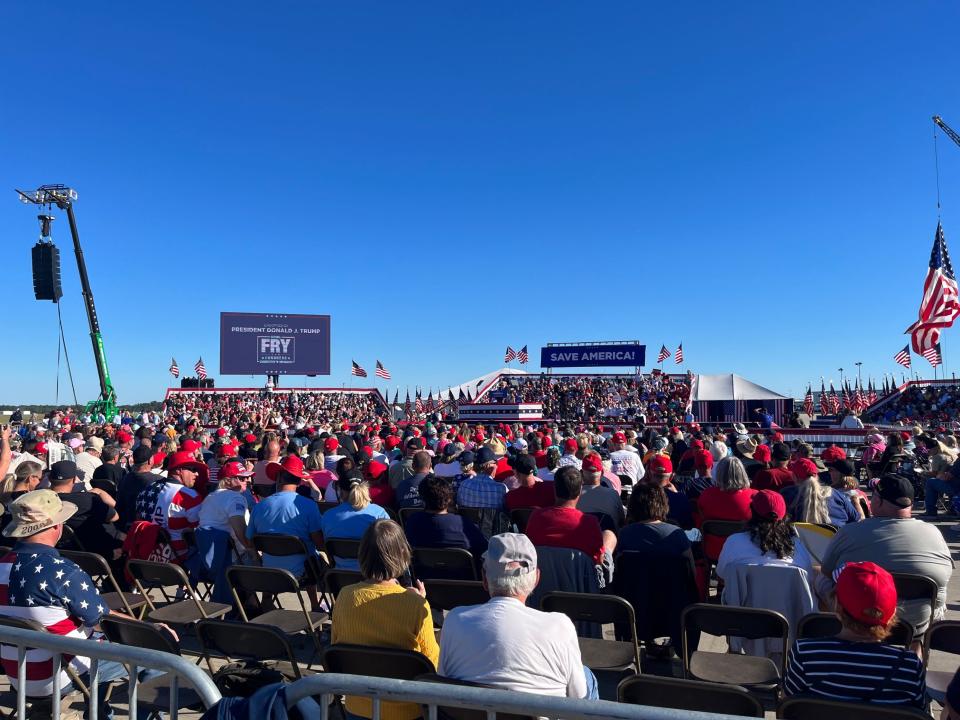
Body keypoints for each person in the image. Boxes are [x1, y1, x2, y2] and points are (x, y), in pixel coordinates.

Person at [0, 490, 171, 715]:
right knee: (153, 654)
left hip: (18, 672)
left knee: (98, 644)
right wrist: (152, 629)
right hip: (59, 673)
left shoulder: (3, 564)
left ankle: (99, 712)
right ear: (56, 527)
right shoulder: (62, 571)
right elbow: (103, 620)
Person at [438, 533, 597, 700]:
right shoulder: (561, 626)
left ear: (484, 579)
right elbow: (581, 700)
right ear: (536, 579)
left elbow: (443, 681)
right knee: (587, 676)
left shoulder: (455, 620)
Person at [331, 519, 439, 720]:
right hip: (407, 710)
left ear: (362, 554)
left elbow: (337, 648)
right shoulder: (415, 605)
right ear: (402, 554)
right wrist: (419, 601)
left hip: (358, 706)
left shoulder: (344, 596)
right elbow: (432, 664)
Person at [820, 473, 953, 635]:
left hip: (862, 614)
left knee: (819, 576)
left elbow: (827, 570)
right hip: (919, 617)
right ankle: (915, 650)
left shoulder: (850, 532)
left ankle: (836, 637)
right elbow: (945, 574)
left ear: (877, 500)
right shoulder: (933, 532)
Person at [784, 561, 925, 708]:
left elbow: (788, 708)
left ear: (837, 606)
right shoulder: (910, 666)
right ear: (892, 614)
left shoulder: (805, 654)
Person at [246, 455, 325, 610]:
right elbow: (319, 542)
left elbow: (250, 541)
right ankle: (314, 604)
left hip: (270, 572)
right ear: (299, 480)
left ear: (280, 478)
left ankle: (266, 599)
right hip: (303, 574)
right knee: (313, 555)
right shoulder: (309, 506)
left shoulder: (260, 506)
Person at [716, 490, 815, 583]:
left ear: (752, 512)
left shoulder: (734, 541)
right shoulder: (798, 545)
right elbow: (808, 580)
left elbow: (722, 576)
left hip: (742, 602)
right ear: (784, 516)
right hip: (785, 601)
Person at [524, 466, 611, 564]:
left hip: (544, 577)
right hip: (579, 578)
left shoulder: (536, 517)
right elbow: (598, 561)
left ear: (554, 488)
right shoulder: (589, 522)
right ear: (580, 490)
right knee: (609, 535)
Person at [48, 460, 123, 567]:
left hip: (62, 552)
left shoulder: (41, 500)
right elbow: (114, 517)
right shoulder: (87, 500)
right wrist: (100, 493)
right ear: (74, 480)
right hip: (96, 554)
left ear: (50, 479)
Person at [135, 450, 206, 560]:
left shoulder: (147, 489)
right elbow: (200, 533)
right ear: (179, 470)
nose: (197, 473)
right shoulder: (190, 496)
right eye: (192, 469)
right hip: (178, 563)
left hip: (144, 559)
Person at [320, 472, 390, 570]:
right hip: (373, 576)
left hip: (340, 578)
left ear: (340, 490)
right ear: (365, 488)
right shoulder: (379, 513)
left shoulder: (327, 516)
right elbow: (388, 548)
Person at [403, 475, 487, 556]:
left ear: (423, 499)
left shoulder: (413, 522)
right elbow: (484, 550)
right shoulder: (464, 524)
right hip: (462, 570)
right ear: (449, 498)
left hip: (422, 570)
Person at [696, 456, 758, 558]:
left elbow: (699, 524)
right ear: (742, 473)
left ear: (719, 474)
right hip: (745, 552)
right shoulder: (755, 497)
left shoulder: (706, 495)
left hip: (714, 551)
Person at [781, 458, 859, 527]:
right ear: (816, 476)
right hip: (836, 541)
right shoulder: (835, 494)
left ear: (794, 476)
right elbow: (855, 519)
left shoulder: (786, 494)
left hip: (800, 542)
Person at [576, 452, 625, 529]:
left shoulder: (574, 496)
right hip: (607, 539)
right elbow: (621, 520)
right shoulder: (613, 494)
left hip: (581, 537)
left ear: (581, 473)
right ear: (602, 473)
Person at [117, 445, 158, 531]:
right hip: (146, 529)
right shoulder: (157, 481)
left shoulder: (125, 478)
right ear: (150, 461)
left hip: (124, 524)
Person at [645, 456, 693, 529]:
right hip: (674, 539)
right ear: (671, 477)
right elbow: (688, 527)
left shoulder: (640, 496)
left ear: (650, 474)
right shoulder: (682, 499)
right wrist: (677, 494)